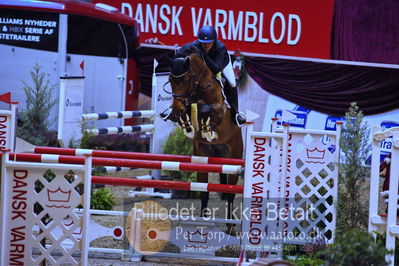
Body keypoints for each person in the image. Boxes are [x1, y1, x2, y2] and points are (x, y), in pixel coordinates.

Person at [160, 25, 246, 126]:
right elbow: (180, 53)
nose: (205, 45)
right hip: (203, 67)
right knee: (181, 81)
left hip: (221, 64)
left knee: (231, 82)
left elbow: (216, 68)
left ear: (214, 40)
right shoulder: (194, 45)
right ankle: (172, 110)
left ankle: (236, 114)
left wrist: (203, 55)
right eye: (203, 42)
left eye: (208, 42)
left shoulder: (220, 48)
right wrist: (177, 59)